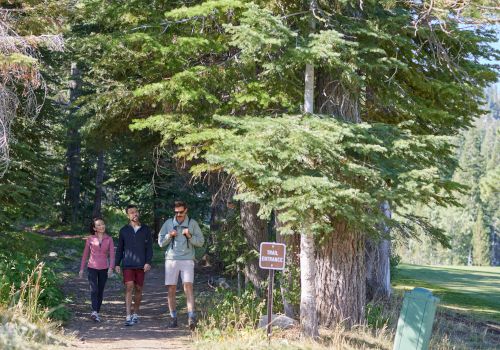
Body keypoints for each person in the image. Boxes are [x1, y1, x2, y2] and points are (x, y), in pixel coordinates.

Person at [158, 201, 204, 330]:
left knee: (188, 287)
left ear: (186, 211)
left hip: (188, 259)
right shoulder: (168, 223)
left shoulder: (192, 223)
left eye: (181, 212)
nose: (178, 215)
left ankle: (191, 317)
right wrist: (169, 235)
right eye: (176, 212)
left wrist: (189, 236)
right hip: (171, 260)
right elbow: (161, 243)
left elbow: (200, 242)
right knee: (171, 289)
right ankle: (173, 318)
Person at [115, 204, 153, 326]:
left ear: (138, 213)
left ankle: (136, 313)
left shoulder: (146, 229)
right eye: (131, 212)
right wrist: (117, 263)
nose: (134, 214)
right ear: (128, 215)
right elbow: (120, 249)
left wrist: (148, 262)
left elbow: (149, 248)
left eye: (136, 212)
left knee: (138, 288)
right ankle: (128, 315)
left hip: (141, 265)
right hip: (127, 264)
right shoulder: (123, 230)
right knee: (129, 287)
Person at [79, 217, 115, 322]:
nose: (102, 226)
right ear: (95, 228)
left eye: (102, 224)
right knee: (94, 289)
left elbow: (112, 255)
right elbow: (85, 255)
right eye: (98, 225)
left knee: (100, 291)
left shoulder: (109, 239)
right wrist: (81, 269)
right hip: (92, 267)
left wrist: (111, 268)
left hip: (104, 268)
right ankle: (94, 312)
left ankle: (96, 312)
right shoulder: (90, 239)